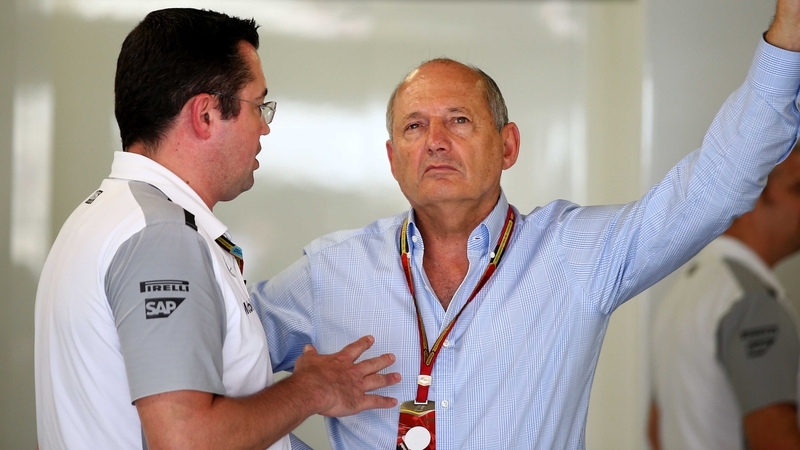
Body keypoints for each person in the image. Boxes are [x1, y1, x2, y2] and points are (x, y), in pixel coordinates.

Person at [250, 0, 800, 448]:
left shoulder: (574, 254)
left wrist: (789, 32)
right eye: (415, 126)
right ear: (394, 160)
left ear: (508, 146)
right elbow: (206, 375)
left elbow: (717, 184)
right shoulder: (331, 270)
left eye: (459, 120)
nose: (436, 140)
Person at [34, 8, 400, 450]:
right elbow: (187, 440)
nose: (265, 126)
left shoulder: (106, 216)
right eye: (258, 105)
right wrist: (312, 390)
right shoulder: (160, 238)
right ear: (205, 115)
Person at [648, 147, 800, 450]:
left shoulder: (685, 290)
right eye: (798, 189)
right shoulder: (752, 303)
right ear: (755, 192)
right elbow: (775, 441)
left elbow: (656, 430)